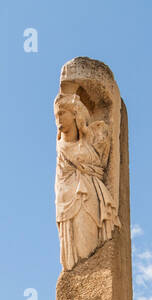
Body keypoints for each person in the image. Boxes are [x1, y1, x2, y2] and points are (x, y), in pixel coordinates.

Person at [54, 92, 119, 271]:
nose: (58, 118)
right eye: (56, 115)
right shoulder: (61, 147)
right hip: (67, 200)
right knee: (73, 256)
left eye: (62, 113)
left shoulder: (93, 140)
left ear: (75, 114)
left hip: (89, 197)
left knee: (88, 247)